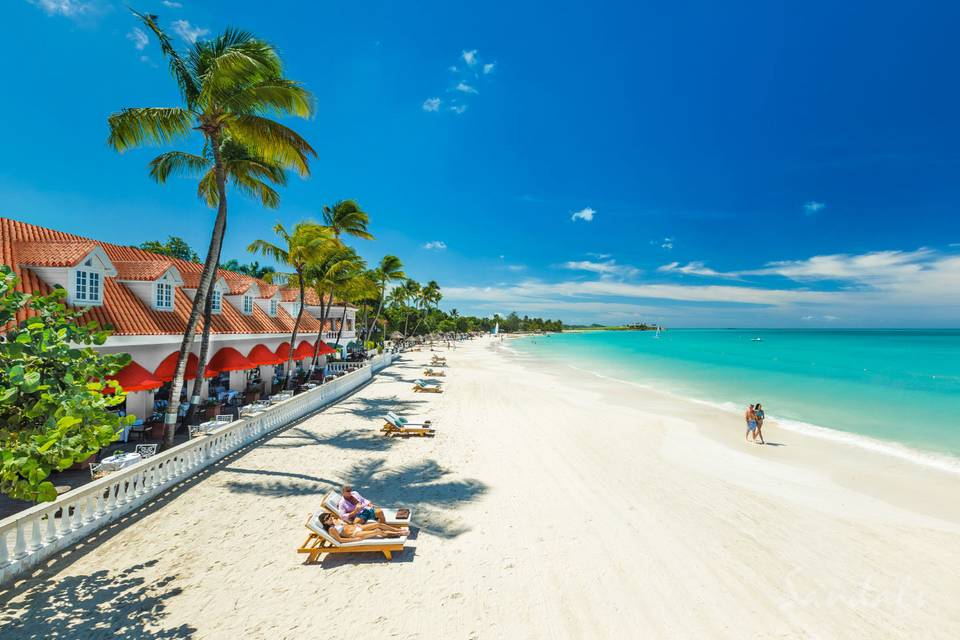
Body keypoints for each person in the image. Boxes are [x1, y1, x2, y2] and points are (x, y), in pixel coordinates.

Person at [318, 512, 407, 543]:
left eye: (329, 516)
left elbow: (345, 523)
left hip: (357, 527)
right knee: (377, 531)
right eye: (327, 518)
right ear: (324, 522)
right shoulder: (331, 529)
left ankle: (398, 529)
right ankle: (399, 533)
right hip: (354, 534)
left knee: (377, 524)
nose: (330, 518)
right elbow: (340, 540)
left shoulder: (334, 521)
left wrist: (354, 525)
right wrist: (355, 539)